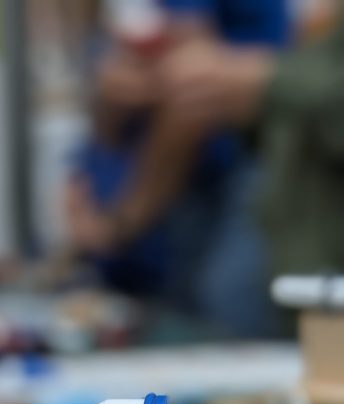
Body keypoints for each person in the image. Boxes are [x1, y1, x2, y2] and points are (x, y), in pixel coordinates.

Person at [66, 0, 292, 337]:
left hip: (227, 181)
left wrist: (118, 224)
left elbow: (191, 96)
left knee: (221, 324)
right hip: (175, 196)